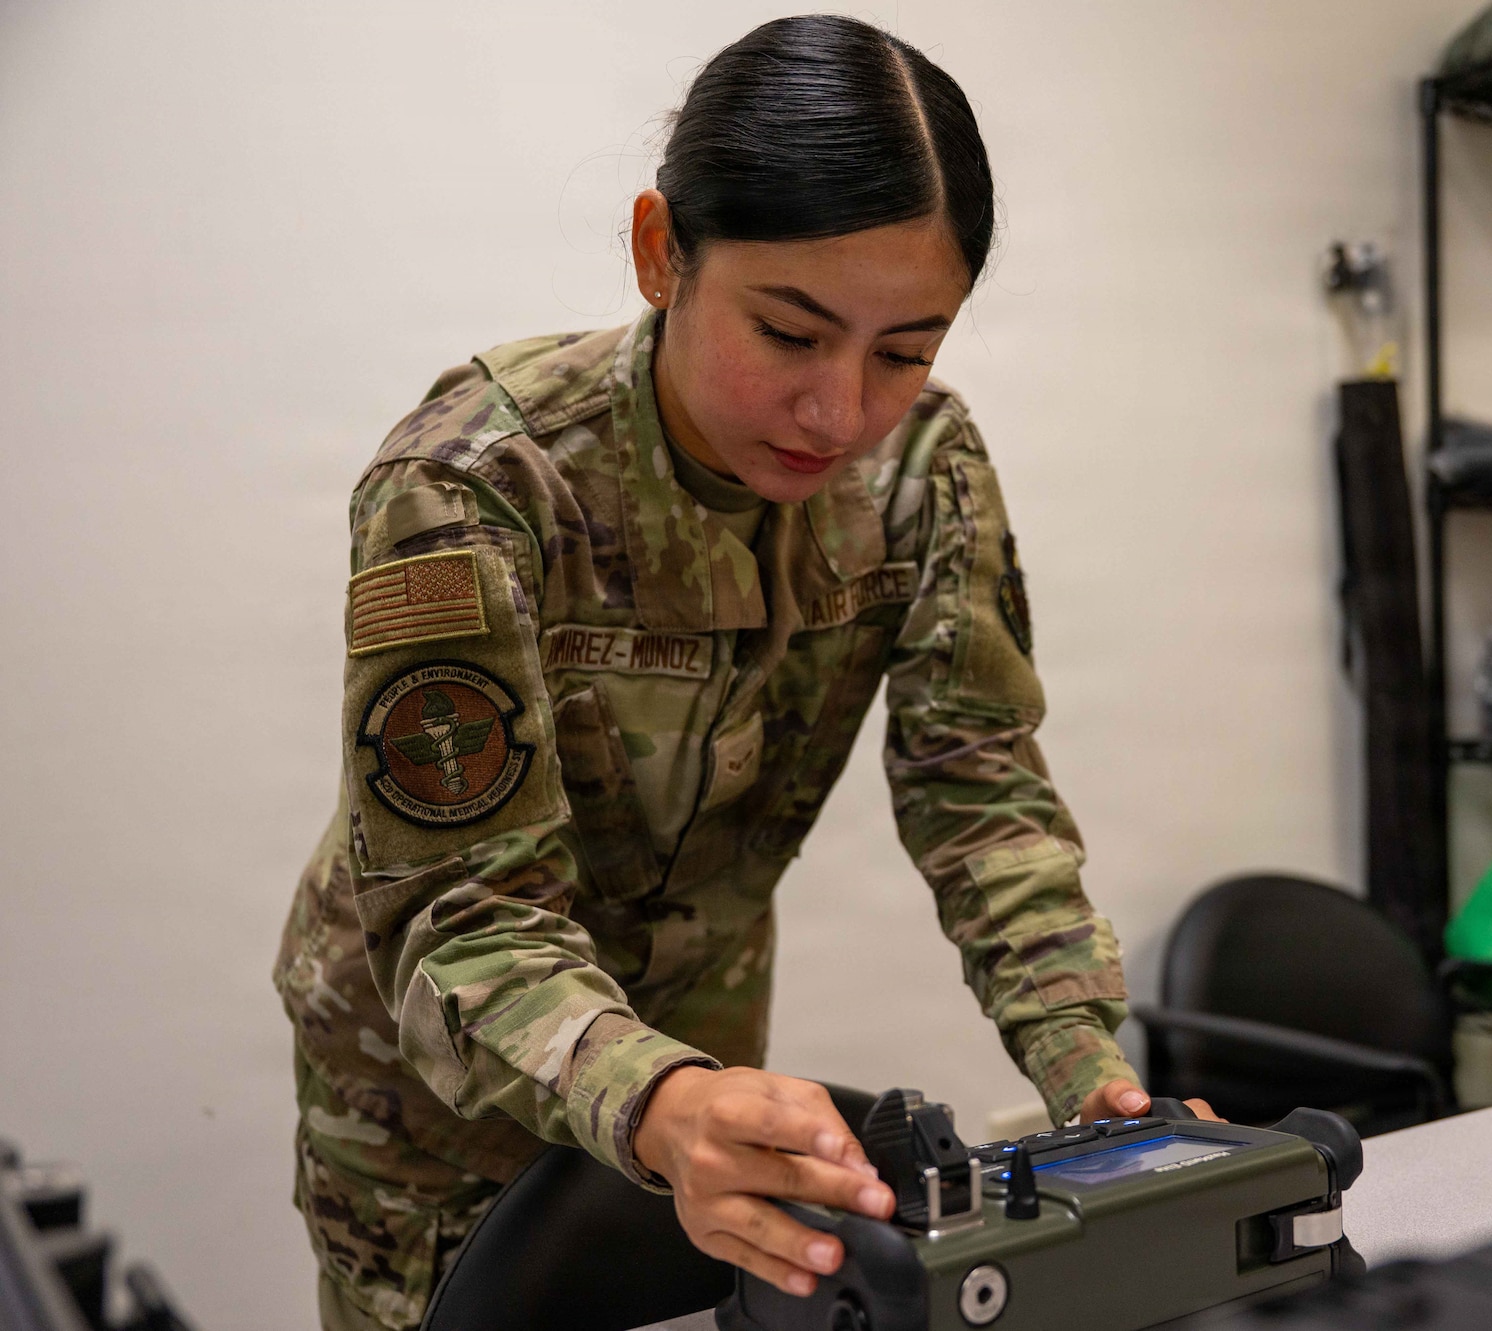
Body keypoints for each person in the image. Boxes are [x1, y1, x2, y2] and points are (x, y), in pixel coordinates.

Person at [273, 15, 1211, 1331]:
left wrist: (1085, 1064)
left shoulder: (922, 466)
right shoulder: (476, 483)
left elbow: (978, 791)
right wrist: (657, 1101)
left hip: (706, 1087)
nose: (841, 412)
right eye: (789, 332)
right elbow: (466, 914)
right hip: (436, 1103)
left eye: (905, 351)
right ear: (664, 253)